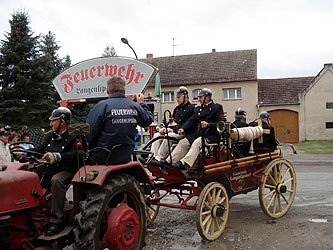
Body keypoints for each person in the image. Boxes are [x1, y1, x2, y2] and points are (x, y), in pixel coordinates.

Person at [32, 107, 79, 236]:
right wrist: (24, 152)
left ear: (62, 121)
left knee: (56, 180)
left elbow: (76, 155)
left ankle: (56, 221)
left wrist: (58, 156)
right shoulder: (49, 137)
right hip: (50, 168)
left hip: (68, 169)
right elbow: (40, 150)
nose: (50, 124)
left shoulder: (74, 135)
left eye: (53, 121)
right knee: (31, 176)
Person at [86, 76, 154, 165]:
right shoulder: (134, 106)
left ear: (107, 91)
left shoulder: (101, 106)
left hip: (102, 157)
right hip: (125, 155)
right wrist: (141, 103)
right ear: (124, 91)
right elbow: (147, 120)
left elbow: (89, 133)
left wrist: (88, 146)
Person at [165, 88, 225, 170]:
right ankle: (169, 161)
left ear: (207, 98)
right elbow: (191, 120)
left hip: (211, 135)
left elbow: (222, 123)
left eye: (201, 97)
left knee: (197, 142)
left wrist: (208, 125)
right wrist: (183, 129)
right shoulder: (198, 109)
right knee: (184, 141)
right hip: (198, 134)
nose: (199, 99)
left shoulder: (217, 107)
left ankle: (184, 162)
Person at [150, 86, 194, 163]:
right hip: (173, 131)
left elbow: (187, 125)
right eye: (176, 97)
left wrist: (172, 129)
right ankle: (152, 156)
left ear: (186, 97)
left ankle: (159, 158)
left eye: (179, 97)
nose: (177, 99)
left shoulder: (191, 109)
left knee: (168, 136)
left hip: (183, 133)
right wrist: (164, 127)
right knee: (156, 135)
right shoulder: (177, 109)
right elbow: (171, 122)